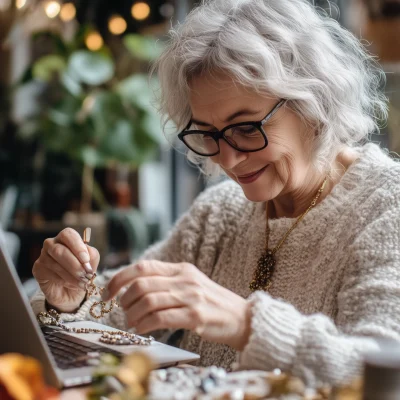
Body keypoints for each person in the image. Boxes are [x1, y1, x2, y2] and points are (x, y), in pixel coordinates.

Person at [31, 0, 400, 388]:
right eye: (207, 132)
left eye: (245, 127)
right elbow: (117, 311)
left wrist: (244, 323)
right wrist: (69, 298)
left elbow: (384, 373)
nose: (228, 158)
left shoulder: (387, 207)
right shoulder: (220, 213)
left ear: (314, 101)